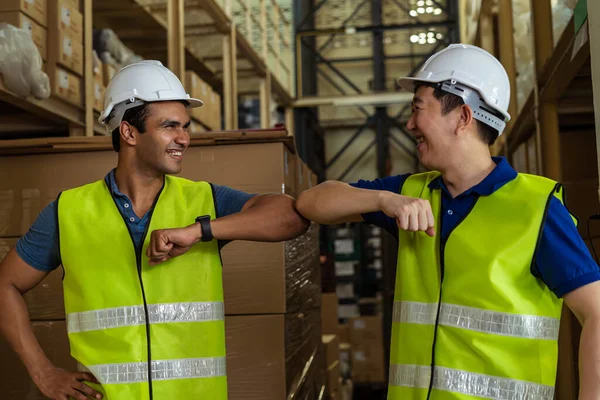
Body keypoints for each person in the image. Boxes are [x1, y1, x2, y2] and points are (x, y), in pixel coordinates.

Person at [297, 44, 600, 399]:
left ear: (463, 117)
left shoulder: (536, 208)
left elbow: (595, 312)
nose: (410, 124)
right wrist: (382, 199)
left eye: (418, 109)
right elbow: (310, 203)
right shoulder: (409, 193)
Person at [0, 60, 309, 400]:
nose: (184, 138)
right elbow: (5, 285)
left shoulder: (204, 200)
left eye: (186, 127)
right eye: (169, 127)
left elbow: (291, 217)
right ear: (129, 132)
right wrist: (42, 372)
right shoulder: (68, 211)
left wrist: (201, 230)